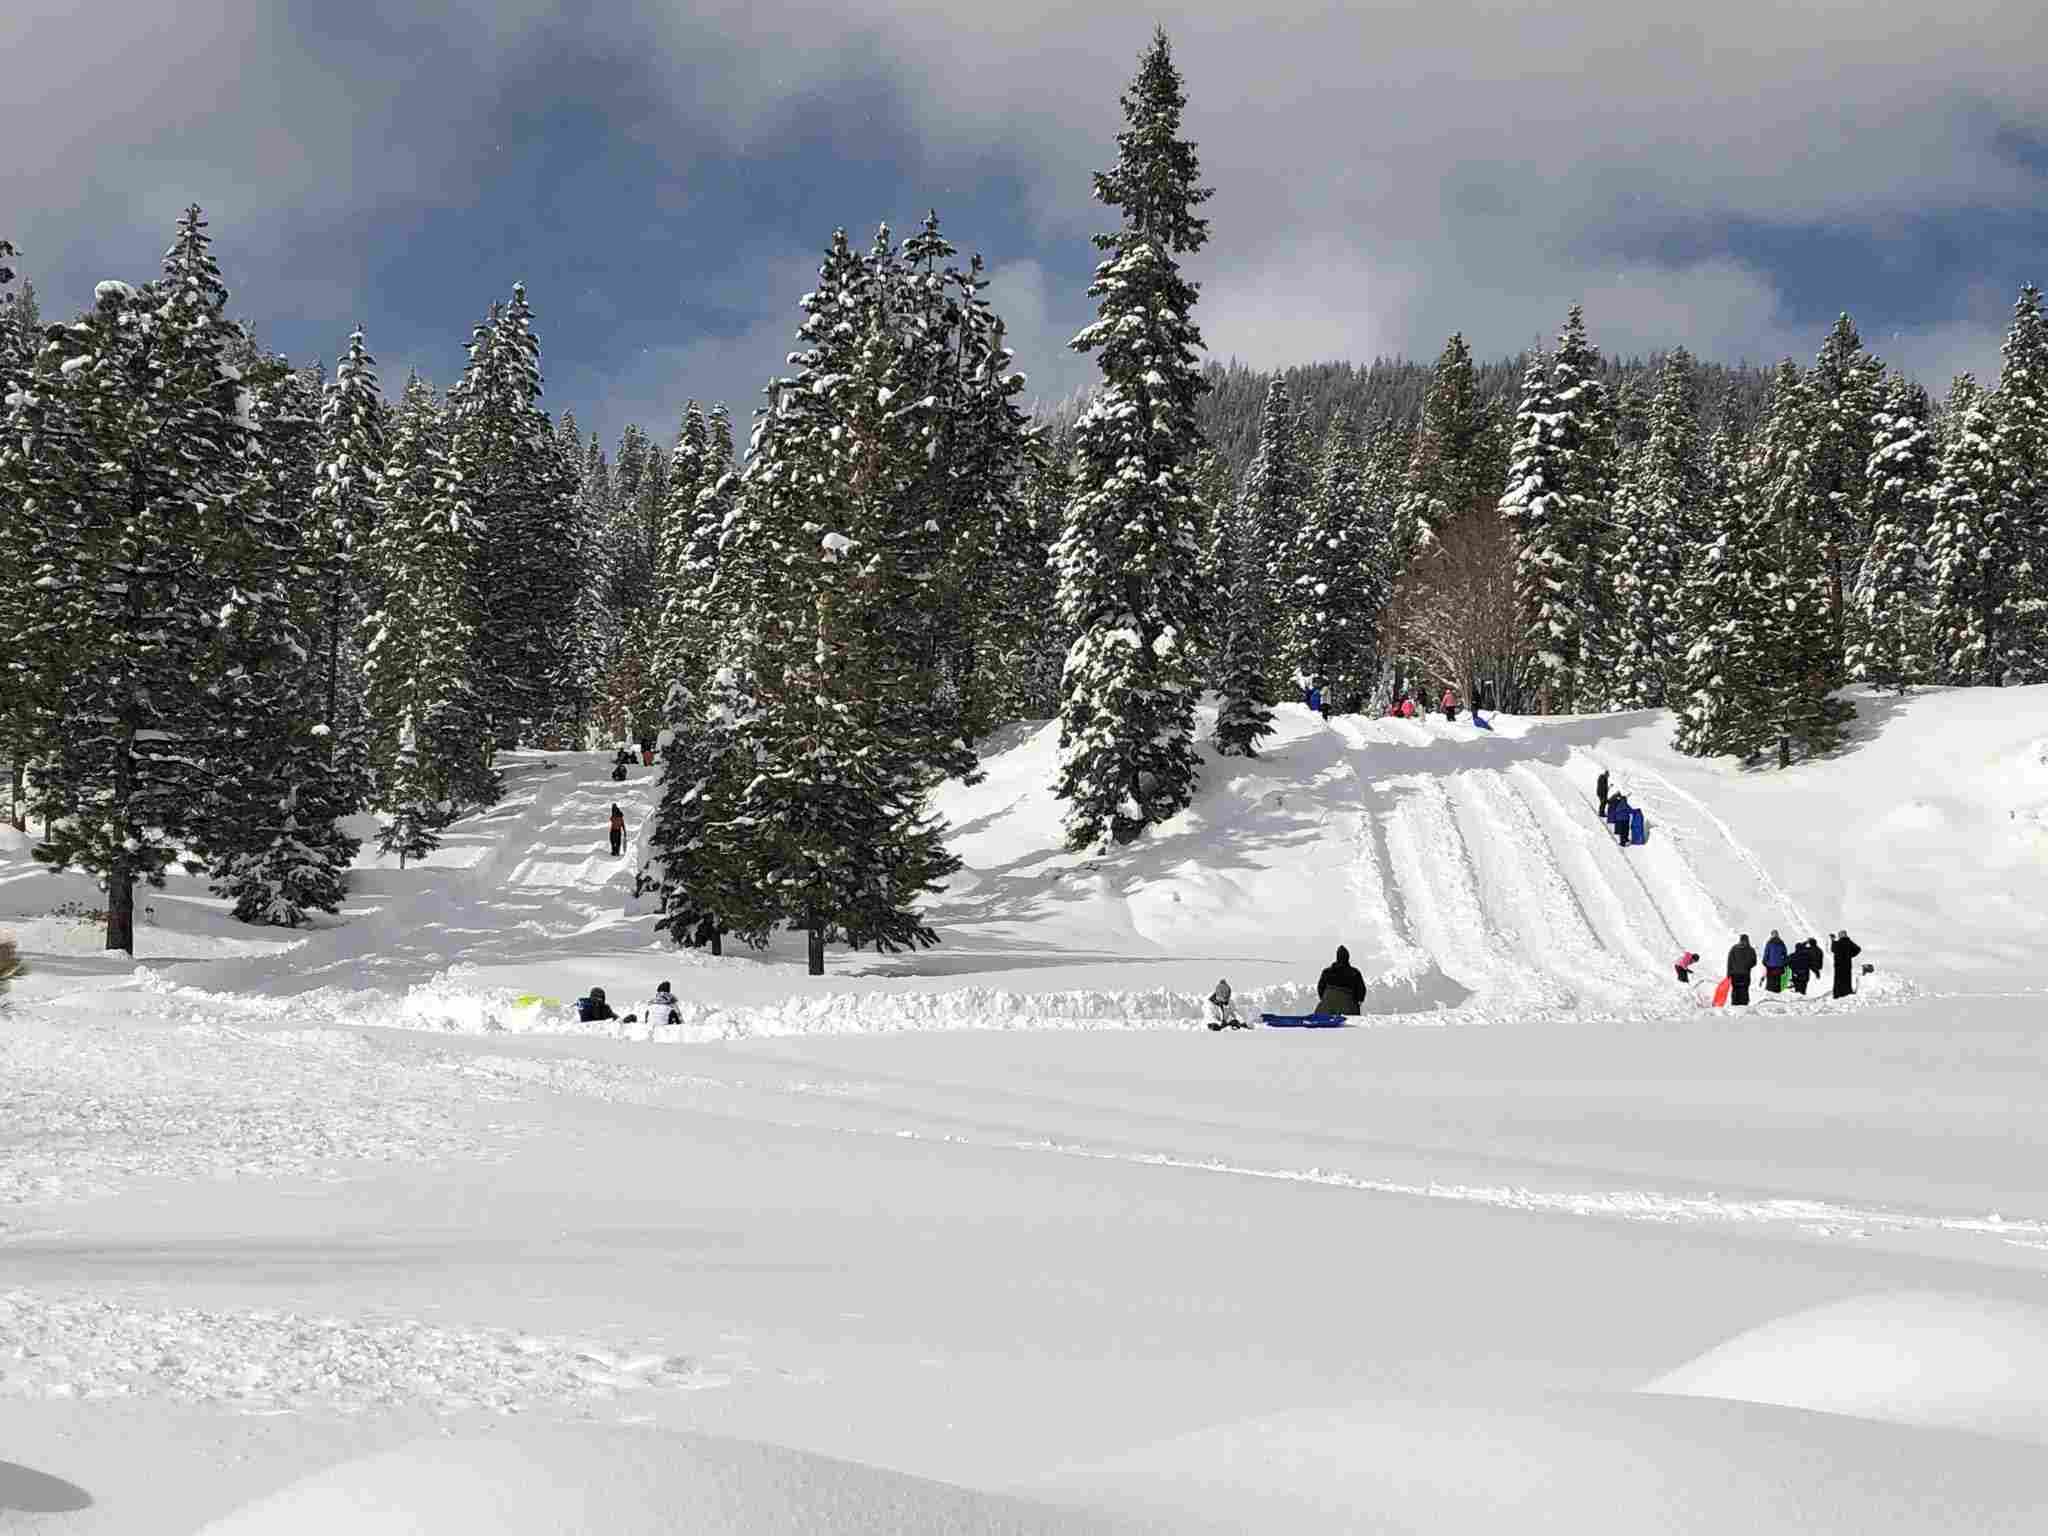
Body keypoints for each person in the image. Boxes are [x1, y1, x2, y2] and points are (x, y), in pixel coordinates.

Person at [1314, 944, 1367, 1016]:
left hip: (1326, 1009)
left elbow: (1320, 989)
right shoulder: (1354, 973)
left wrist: (1326, 1001)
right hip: (1349, 1009)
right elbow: (1361, 992)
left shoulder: (1327, 972)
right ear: (1348, 957)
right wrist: (1356, 1003)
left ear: (1337, 957)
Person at [1726, 932, 1757, 1006]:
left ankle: (1734, 1004)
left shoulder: (1734, 948)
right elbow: (1754, 962)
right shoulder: (1751, 950)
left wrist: (1728, 973)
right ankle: (1744, 1005)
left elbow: (1730, 961)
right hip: (1745, 974)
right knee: (1744, 990)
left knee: (1735, 989)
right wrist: (1748, 966)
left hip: (1735, 974)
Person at [1830, 930, 1862, 998]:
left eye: (1839, 935)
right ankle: (1847, 992)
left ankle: (1838, 994)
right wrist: (1850, 955)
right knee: (1847, 978)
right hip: (1847, 964)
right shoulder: (1849, 942)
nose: (1839, 936)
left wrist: (1832, 940)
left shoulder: (1838, 943)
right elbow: (1858, 949)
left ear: (1841, 935)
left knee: (1838, 979)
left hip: (1839, 964)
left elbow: (1833, 949)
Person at [1762, 929, 1788, 993]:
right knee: (1777, 979)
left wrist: (1764, 961)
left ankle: (1770, 992)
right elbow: (1785, 953)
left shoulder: (1769, 943)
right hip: (1779, 965)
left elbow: (1766, 953)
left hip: (1770, 965)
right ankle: (1777, 992)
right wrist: (1784, 962)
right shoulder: (1781, 943)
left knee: (1770, 979)